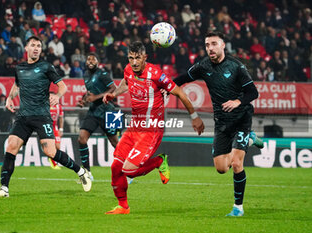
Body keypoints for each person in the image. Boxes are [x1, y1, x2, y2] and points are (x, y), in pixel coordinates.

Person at [102, 41, 204, 214]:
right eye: (131, 58)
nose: (134, 62)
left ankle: (159, 161)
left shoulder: (156, 74)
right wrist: (114, 93)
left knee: (129, 170)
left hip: (151, 129)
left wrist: (194, 116)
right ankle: (123, 207)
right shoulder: (128, 69)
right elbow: (126, 83)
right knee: (116, 167)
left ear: (145, 58)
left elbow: (179, 92)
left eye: (138, 58)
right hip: (135, 126)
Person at [173, 31, 264, 217]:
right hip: (222, 122)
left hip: (241, 119)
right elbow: (182, 79)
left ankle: (238, 207)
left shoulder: (237, 66)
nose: (210, 48)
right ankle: (250, 140)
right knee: (222, 168)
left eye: (214, 44)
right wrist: (164, 87)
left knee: (237, 163)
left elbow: (253, 93)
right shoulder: (203, 66)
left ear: (223, 45)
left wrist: (238, 102)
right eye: (207, 45)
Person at [0, 36, 91, 198]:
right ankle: (4, 189)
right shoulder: (19, 68)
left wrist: (57, 96)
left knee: (50, 151)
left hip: (42, 116)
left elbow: (63, 86)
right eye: (33, 45)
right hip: (23, 117)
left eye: (38, 46)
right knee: (11, 147)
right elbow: (16, 86)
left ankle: (80, 171)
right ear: (26, 49)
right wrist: (9, 97)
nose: (36, 48)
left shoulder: (46, 66)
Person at [77, 52, 118, 181]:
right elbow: (89, 92)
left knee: (115, 143)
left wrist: (96, 97)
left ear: (98, 62)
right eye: (88, 59)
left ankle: (129, 170)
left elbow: (113, 88)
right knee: (81, 139)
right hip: (93, 111)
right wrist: (84, 100)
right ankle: (87, 173)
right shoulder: (85, 75)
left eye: (93, 59)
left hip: (109, 111)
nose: (90, 61)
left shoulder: (102, 73)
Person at [48, 92, 64, 169]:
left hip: (55, 128)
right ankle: (53, 164)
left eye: (52, 97)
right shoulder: (45, 106)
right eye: (50, 97)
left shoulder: (58, 106)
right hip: (47, 127)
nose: (51, 98)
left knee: (57, 146)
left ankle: (53, 160)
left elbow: (61, 118)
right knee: (50, 145)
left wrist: (61, 129)